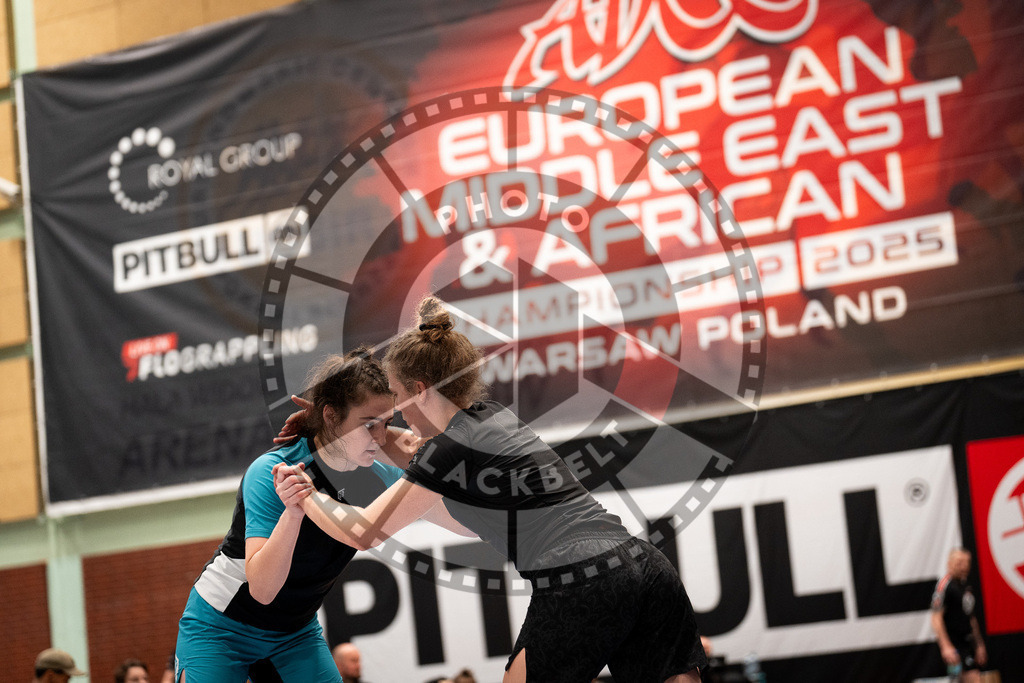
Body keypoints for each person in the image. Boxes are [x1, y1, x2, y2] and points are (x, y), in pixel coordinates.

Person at [275, 295, 708, 683]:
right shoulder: (491, 416)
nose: (394, 414)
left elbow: (363, 531)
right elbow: (411, 448)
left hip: (583, 576)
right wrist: (335, 421)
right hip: (645, 565)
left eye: (395, 398)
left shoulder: (447, 451)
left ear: (420, 391)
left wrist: (306, 493)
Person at [174, 348, 473, 682]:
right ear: (330, 417)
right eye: (369, 425)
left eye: (386, 425)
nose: (380, 439)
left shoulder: (379, 477)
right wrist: (293, 512)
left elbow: (466, 524)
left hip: (293, 633)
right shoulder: (272, 471)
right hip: (221, 626)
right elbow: (263, 590)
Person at [931, 548, 987, 682]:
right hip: (953, 645)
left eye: (967, 563)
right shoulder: (944, 585)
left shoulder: (965, 585)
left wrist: (979, 644)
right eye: (959, 563)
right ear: (949, 563)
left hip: (966, 643)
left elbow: (971, 618)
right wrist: (946, 646)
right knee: (970, 678)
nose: (964, 566)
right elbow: (935, 617)